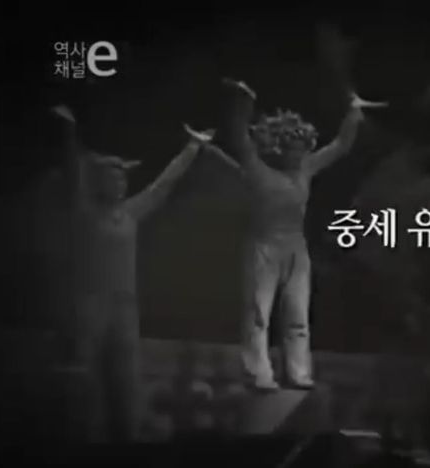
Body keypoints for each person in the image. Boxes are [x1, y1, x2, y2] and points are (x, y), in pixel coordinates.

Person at [199, 78, 386, 392]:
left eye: (303, 148)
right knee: (258, 314)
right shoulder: (258, 169)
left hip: (296, 248)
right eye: (294, 149)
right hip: (263, 245)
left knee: (298, 315)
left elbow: (340, 146)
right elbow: (239, 136)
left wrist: (353, 114)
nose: (300, 154)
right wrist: (243, 104)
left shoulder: (305, 170)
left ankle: (299, 372)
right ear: (279, 147)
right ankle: (258, 373)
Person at [52, 104, 213, 443]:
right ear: (99, 182)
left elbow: (164, 184)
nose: (120, 183)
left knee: (125, 378)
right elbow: (74, 172)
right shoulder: (85, 212)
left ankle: (126, 436)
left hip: (125, 307)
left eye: (122, 178)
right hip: (91, 304)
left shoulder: (129, 213)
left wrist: (192, 147)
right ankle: (85, 439)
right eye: (112, 178)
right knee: (88, 380)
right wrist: (68, 132)